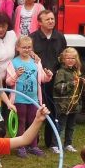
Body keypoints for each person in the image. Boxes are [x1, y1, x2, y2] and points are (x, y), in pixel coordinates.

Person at [5, 36, 52, 157]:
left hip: (33, 99)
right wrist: (16, 75)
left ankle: (33, 146)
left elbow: (42, 79)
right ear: (17, 48)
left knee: (34, 122)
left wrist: (48, 76)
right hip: (19, 99)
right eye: (24, 47)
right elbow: (8, 82)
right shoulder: (13, 63)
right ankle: (20, 146)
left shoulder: (36, 62)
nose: (26, 49)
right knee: (21, 122)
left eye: (29, 47)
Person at [30, 10, 66, 152]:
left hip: (54, 79)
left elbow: (63, 58)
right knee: (36, 110)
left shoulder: (60, 37)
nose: (51, 21)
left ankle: (51, 142)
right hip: (37, 80)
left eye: (52, 19)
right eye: (47, 19)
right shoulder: (32, 38)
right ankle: (33, 141)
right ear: (40, 22)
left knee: (53, 109)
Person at [53, 47, 84, 153]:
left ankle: (68, 144)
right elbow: (58, 87)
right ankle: (55, 145)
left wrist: (81, 83)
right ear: (63, 59)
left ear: (76, 60)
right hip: (63, 104)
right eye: (68, 58)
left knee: (71, 126)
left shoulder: (75, 72)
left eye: (73, 58)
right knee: (60, 125)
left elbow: (77, 90)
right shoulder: (61, 72)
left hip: (73, 104)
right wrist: (71, 84)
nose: (70, 60)